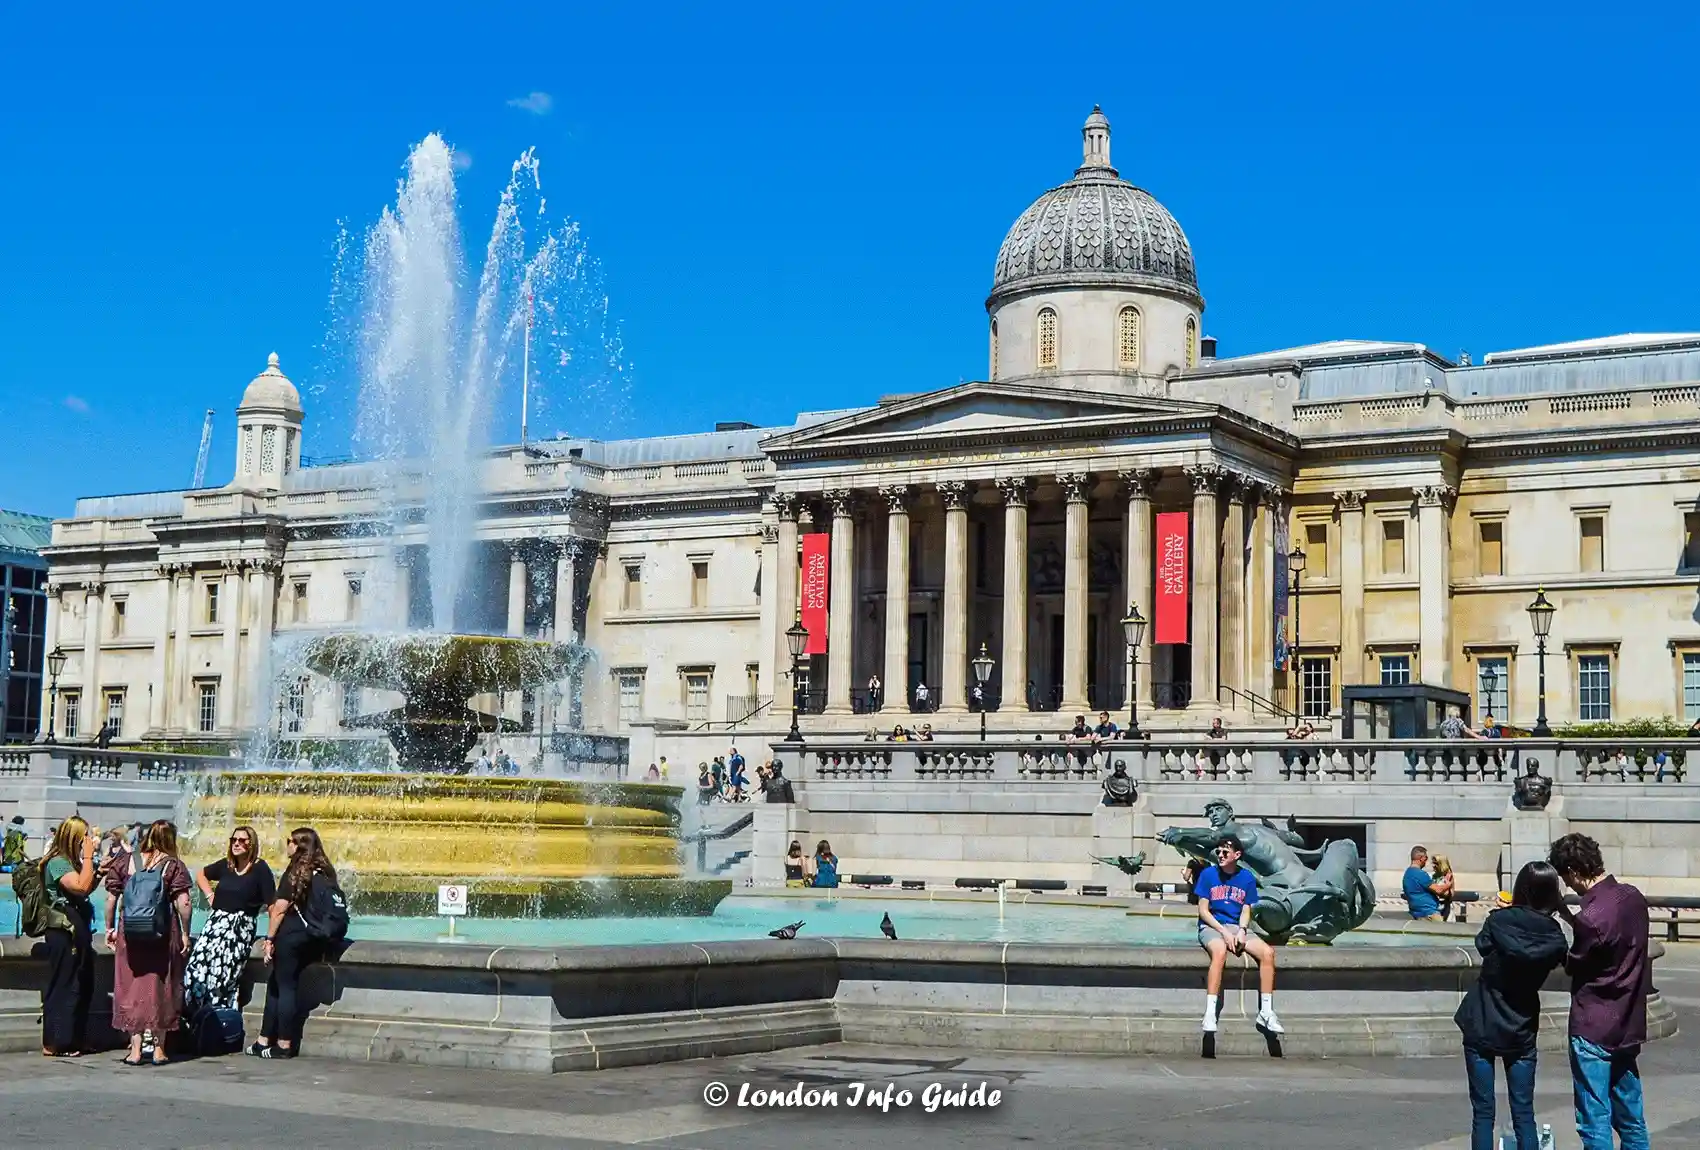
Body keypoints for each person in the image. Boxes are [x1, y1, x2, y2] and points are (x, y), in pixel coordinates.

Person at [1454, 860, 1569, 1150]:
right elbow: (1566, 958)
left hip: (1482, 1019)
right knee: (1524, 1113)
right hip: (1521, 1025)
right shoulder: (1554, 935)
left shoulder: (1498, 921)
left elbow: (1483, 946)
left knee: (1482, 1113)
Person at [1549, 832, 1652, 1150]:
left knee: (1594, 1121)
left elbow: (1575, 964)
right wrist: (1569, 915)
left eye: (1566, 878)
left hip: (1593, 1025)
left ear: (1574, 871)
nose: (1568, 886)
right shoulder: (1633, 897)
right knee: (1632, 1119)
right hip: (1627, 1022)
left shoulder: (1591, 919)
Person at [104, 819, 193, 1066]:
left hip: (130, 933)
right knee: (161, 987)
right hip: (162, 934)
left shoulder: (125, 861)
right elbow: (184, 903)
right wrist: (186, 933)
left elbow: (111, 898)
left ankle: (134, 1051)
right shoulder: (173, 865)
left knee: (131, 987)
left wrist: (109, 928)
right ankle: (158, 1049)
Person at [251, 827, 338, 1059]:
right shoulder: (325, 870)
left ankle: (284, 1044)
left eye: (289, 841)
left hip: (291, 937)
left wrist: (269, 939)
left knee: (285, 987)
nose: (286, 844)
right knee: (277, 985)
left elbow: (279, 909)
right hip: (314, 938)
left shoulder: (296, 870)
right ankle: (263, 1040)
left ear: (298, 846)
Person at [1193, 835, 1281, 1035]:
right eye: (1218, 852)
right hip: (1212, 926)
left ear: (1237, 855)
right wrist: (1223, 932)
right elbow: (1203, 911)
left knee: (1267, 953)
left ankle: (1266, 1012)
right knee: (1219, 952)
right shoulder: (1208, 874)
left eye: (1225, 852)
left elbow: (1245, 909)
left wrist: (1242, 930)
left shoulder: (1247, 878)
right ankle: (1209, 1013)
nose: (1220, 855)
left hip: (1237, 927)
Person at [186, 825, 277, 1016]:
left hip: (240, 928)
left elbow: (272, 905)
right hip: (215, 924)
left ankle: (220, 1017)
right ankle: (196, 1016)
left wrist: (270, 938)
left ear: (251, 844)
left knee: (222, 975)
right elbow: (201, 874)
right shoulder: (227, 865)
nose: (236, 844)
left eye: (242, 840)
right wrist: (210, 895)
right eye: (234, 840)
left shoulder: (260, 869)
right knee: (195, 969)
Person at [39, 815, 98, 1057]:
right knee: (64, 983)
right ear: (74, 837)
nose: (88, 840)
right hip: (62, 930)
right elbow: (80, 887)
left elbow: (84, 889)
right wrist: (88, 857)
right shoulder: (58, 862)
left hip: (76, 925)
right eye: (84, 836)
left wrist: (98, 872)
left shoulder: (71, 862)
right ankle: (56, 1042)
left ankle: (74, 1038)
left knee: (82, 982)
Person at [1403, 845, 1450, 921]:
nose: (1426, 861)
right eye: (1426, 858)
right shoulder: (1420, 874)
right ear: (1421, 858)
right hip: (1429, 915)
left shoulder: (1407, 873)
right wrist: (1448, 884)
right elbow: (1439, 890)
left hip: (1416, 913)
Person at [1432, 854, 1458, 920]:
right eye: (1433, 863)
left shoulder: (1448, 876)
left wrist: (1439, 890)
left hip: (1445, 907)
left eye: (1436, 863)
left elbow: (1449, 894)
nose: (1433, 866)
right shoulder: (1435, 876)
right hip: (1435, 906)